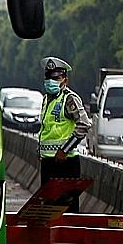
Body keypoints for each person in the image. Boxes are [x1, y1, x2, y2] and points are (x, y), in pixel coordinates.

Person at [39, 55, 91, 211]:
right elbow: (46, 129)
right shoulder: (46, 100)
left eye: (56, 77)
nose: (51, 81)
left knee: (67, 207)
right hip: (48, 162)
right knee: (48, 207)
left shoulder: (69, 99)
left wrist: (64, 150)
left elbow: (84, 125)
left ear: (65, 80)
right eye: (49, 77)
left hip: (65, 162)